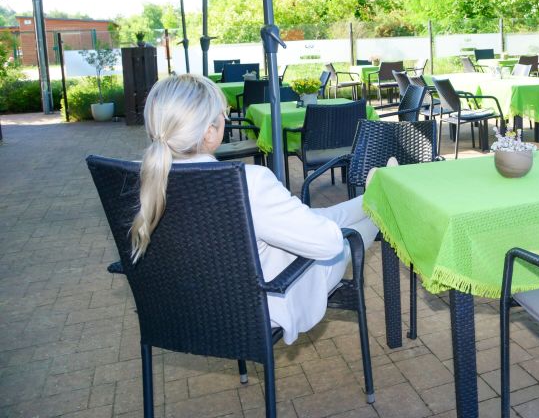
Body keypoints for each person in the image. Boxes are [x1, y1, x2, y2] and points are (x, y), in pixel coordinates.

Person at [132, 73, 378, 344]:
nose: (226, 117)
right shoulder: (247, 183)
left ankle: (370, 198)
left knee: (313, 218)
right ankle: (381, 205)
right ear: (209, 132)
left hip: (186, 307)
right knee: (347, 237)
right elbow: (329, 244)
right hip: (263, 301)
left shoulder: (144, 181)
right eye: (223, 113)